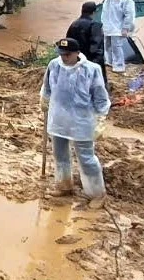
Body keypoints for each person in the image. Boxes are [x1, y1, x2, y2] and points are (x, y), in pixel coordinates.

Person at [40, 38, 110, 208]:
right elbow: (47, 87)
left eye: (68, 54)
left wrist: (101, 119)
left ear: (77, 53)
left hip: (82, 121)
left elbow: (100, 97)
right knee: (60, 154)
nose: (64, 57)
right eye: (61, 54)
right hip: (58, 119)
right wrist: (44, 99)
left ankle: (96, 193)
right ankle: (64, 185)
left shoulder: (91, 70)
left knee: (86, 158)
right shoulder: (54, 65)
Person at [66, 2, 107, 89]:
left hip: (76, 59)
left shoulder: (73, 24)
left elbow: (68, 42)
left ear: (82, 10)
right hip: (90, 60)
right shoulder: (95, 25)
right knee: (96, 85)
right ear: (94, 12)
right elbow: (96, 46)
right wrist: (97, 63)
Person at [101, 0, 136, 74]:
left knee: (117, 47)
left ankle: (119, 66)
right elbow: (104, 14)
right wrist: (103, 25)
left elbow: (129, 16)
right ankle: (109, 62)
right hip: (108, 27)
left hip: (118, 28)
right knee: (107, 45)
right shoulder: (108, 0)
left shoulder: (127, 1)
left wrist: (125, 28)